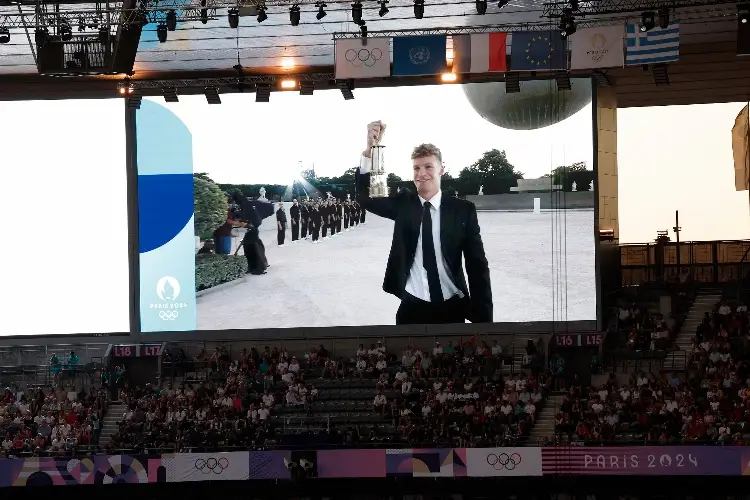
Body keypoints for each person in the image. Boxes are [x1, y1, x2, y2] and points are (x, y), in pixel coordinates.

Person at [357, 120, 492, 325]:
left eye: (428, 166)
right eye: (416, 168)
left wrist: (484, 324)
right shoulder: (404, 205)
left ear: (441, 170)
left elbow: (477, 267)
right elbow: (368, 198)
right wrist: (371, 150)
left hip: (452, 308)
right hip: (412, 308)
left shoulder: (462, 210)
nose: (421, 173)